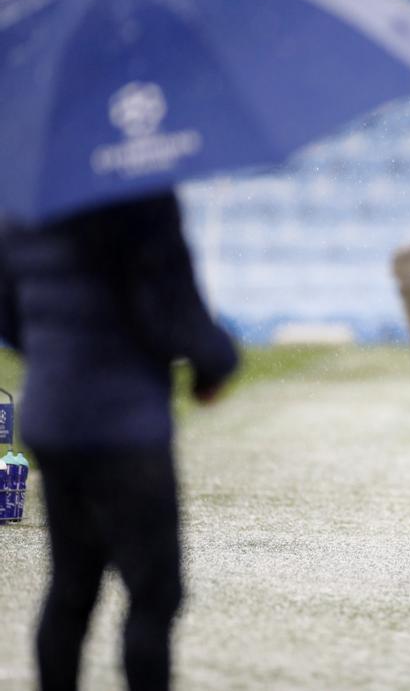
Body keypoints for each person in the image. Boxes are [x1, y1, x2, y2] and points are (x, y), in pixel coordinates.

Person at [0, 193, 239, 691]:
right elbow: (171, 304)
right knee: (154, 594)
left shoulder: (23, 201)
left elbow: (9, 314)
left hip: (53, 417)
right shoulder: (140, 194)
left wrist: (54, 356)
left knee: (71, 587)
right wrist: (215, 364)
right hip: (124, 426)